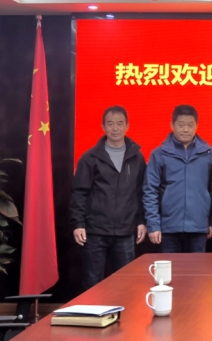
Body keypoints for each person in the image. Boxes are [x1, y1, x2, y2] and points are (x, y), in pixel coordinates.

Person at [71, 105, 147, 289]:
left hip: (125, 232)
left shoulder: (137, 157)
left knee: (125, 283)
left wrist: (141, 221)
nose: (115, 128)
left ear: (127, 126)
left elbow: (140, 192)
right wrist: (78, 224)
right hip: (95, 232)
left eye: (120, 124)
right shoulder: (89, 158)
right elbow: (79, 192)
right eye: (110, 124)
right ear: (103, 127)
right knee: (93, 283)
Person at [143, 104, 212, 253]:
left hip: (198, 228)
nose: (186, 129)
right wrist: (153, 225)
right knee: (170, 268)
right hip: (168, 228)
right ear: (172, 125)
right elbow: (150, 191)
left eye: (190, 125)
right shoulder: (159, 154)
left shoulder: (208, 153)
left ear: (197, 125)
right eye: (181, 125)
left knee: (197, 269)